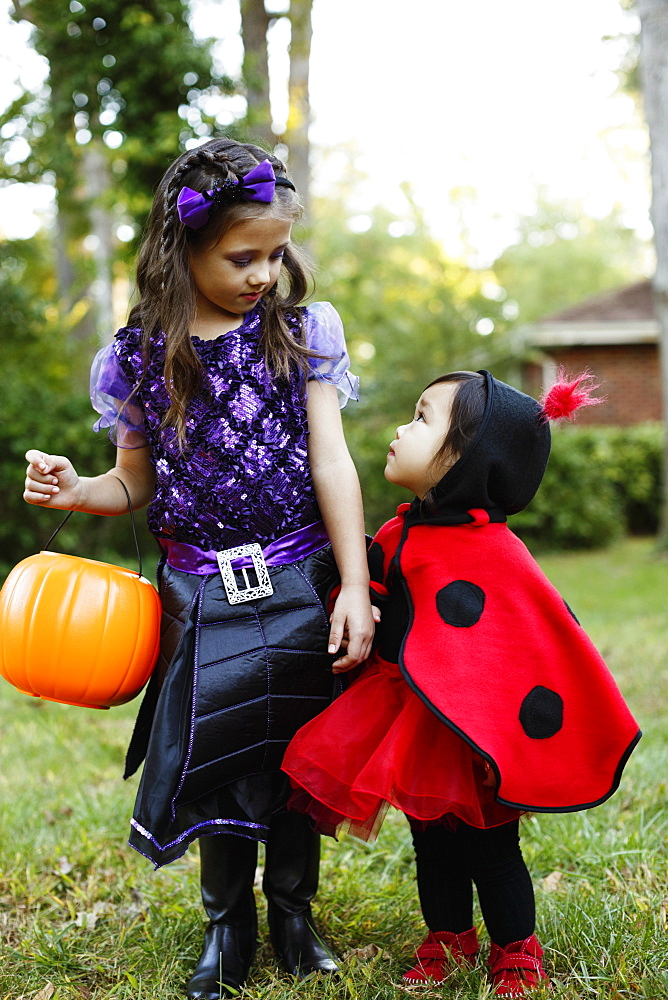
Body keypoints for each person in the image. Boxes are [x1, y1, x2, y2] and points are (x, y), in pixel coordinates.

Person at [23, 136, 375, 1000]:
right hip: (201, 589)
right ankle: (229, 926)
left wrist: (356, 584)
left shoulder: (299, 332)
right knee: (216, 751)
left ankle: (293, 912)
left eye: (276, 253)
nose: (263, 272)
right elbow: (132, 482)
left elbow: (331, 462)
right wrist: (78, 489)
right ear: (184, 249)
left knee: (297, 753)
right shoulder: (141, 354)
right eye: (241, 256)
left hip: (301, 578)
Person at [282, 369, 641, 998]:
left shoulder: (496, 550)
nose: (401, 427)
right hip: (411, 720)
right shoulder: (398, 532)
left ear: (467, 456)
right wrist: (355, 597)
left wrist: (503, 730)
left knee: (491, 847)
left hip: (477, 727)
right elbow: (376, 588)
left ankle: (516, 948)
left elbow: (531, 642)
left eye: (423, 419)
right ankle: (449, 935)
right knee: (433, 844)